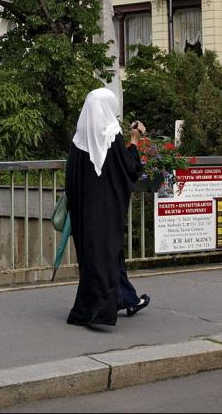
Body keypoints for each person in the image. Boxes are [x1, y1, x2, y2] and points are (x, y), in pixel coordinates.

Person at [65, 87, 150, 326]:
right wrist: (134, 141)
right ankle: (99, 311)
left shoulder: (79, 139)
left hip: (83, 212)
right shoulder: (111, 135)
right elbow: (129, 169)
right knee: (107, 253)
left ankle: (125, 298)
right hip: (106, 210)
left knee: (95, 257)